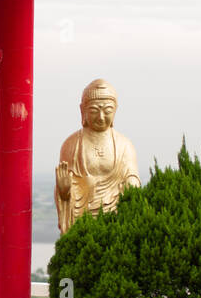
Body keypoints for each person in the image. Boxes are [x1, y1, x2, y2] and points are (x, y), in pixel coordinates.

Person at [54, 78, 141, 234]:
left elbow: (132, 179)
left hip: (116, 219)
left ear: (115, 110)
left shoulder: (125, 145)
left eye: (107, 111)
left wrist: (131, 185)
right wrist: (65, 192)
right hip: (82, 218)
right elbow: (66, 186)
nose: (101, 117)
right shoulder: (72, 144)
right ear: (83, 111)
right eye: (94, 110)